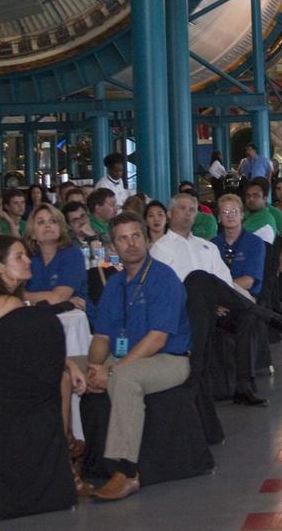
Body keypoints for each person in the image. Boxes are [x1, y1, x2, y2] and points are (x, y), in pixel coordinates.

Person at [0, 234, 87, 499]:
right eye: (18, 257)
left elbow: (28, 352)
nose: (27, 261)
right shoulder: (5, 303)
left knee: (59, 374)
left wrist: (67, 362)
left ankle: (67, 449)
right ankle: (64, 461)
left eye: (26, 255)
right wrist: (67, 365)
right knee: (60, 381)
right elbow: (38, 350)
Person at [70, 213, 192, 501]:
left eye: (136, 236)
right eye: (123, 239)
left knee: (124, 378)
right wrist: (94, 367)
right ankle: (70, 448)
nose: (131, 243)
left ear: (147, 239)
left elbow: (157, 339)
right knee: (66, 368)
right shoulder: (114, 284)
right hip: (123, 356)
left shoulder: (163, 278)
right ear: (114, 246)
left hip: (168, 359)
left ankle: (126, 471)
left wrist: (111, 371)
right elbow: (102, 336)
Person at [152, 193, 282, 406]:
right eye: (182, 208)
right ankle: (265, 314)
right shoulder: (161, 248)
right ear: (170, 214)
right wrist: (211, 302)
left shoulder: (207, 246)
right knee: (198, 279)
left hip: (219, 306)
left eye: (192, 209)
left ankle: (243, 387)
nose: (188, 213)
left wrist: (220, 302)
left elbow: (225, 282)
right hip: (187, 311)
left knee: (247, 318)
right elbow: (170, 289)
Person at [23, 203, 87, 308]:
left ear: (60, 229)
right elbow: (10, 294)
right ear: (33, 234)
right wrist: (62, 301)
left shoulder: (72, 255)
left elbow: (57, 298)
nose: (47, 225)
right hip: (36, 315)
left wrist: (22, 297)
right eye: (41, 222)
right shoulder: (28, 259)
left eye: (52, 221)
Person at [211, 195, 267, 298]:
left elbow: (248, 281)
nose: (230, 216)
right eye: (225, 212)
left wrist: (221, 292)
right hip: (217, 297)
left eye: (234, 211)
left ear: (242, 215)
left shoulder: (255, 243)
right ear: (219, 218)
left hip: (245, 297)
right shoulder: (212, 245)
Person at [244, 179, 282, 273]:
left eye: (256, 196)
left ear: (265, 198)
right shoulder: (247, 213)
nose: (251, 199)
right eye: (248, 196)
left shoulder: (273, 212)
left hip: (269, 260)